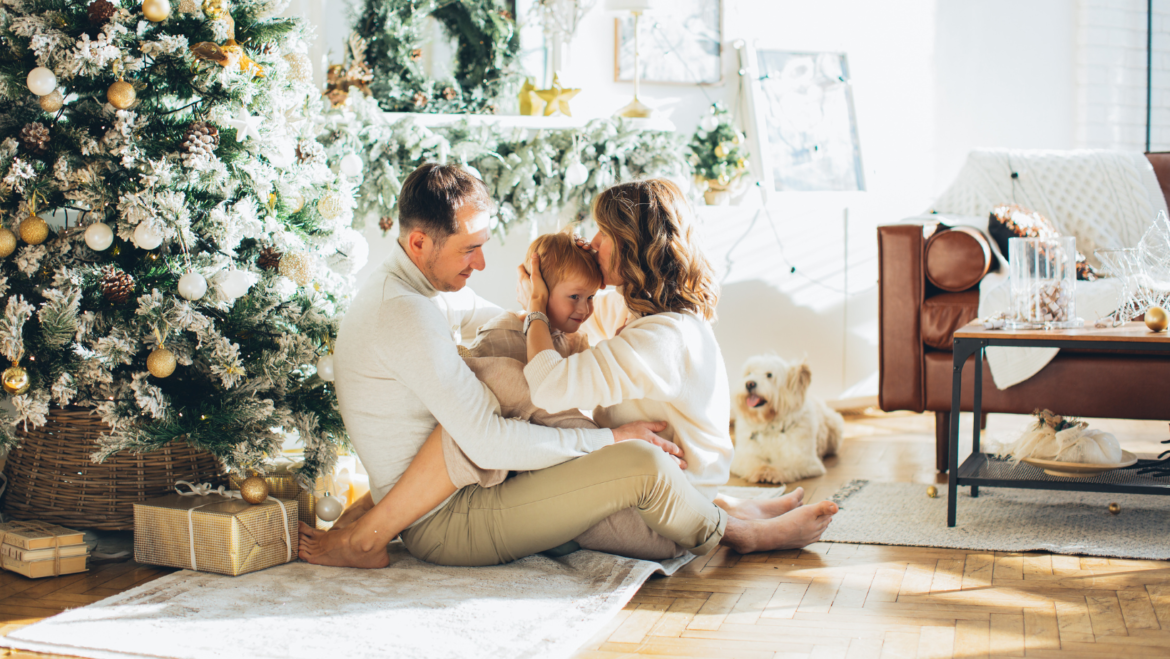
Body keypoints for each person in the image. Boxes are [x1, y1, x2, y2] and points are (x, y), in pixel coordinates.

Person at [299, 165, 837, 568]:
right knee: (624, 456)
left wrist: (539, 309)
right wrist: (608, 439)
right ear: (419, 242)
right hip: (447, 514)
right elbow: (490, 436)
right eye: (470, 250)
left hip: (474, 488)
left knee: (510, 360)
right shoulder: (407, 312)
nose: (482, 264)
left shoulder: (411, 290)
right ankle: (737, 529)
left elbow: (502, 323)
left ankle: (723, 509)